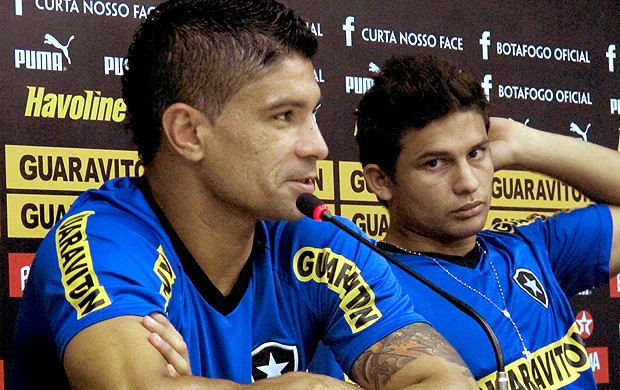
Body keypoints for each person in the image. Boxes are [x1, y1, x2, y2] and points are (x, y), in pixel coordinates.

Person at [9, 2, 477, 389]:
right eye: (283, 116)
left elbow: (445, 382)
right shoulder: (104, 238)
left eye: (312, 112)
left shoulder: (314, 237)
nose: (318, 145)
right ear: (189, 132)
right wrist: (304, 387)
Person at [351, 53, 620, 388]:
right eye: (435, 163)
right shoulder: (368, 298)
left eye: (475, 153)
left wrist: (525, 144)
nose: (468, 182)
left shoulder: (532, 249)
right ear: (381, 181)